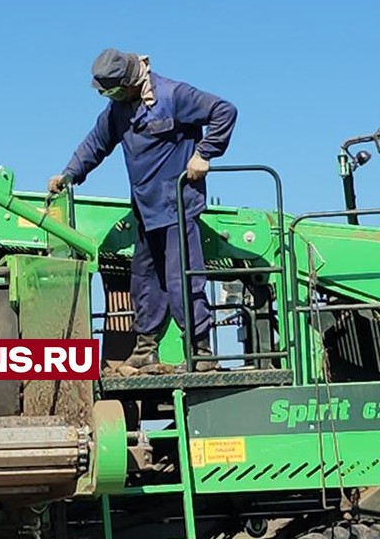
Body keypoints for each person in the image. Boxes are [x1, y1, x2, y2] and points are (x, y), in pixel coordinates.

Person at [48, 48, 238, 374]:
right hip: (146, 210)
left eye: (111, 90)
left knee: (182, 281)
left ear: (129, 82)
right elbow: (95, 143)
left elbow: (224, 110)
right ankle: (146, 349)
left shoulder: (174, 95)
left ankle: (201, 353)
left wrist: (204, 153)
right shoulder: (119, 110)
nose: (109, 97)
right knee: (145, 281)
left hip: (178, 207)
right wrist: (68, 174)